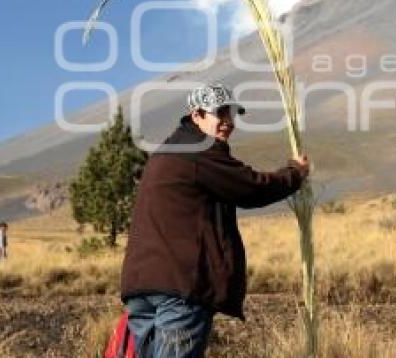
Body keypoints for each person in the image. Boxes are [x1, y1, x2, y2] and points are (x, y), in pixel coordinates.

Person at [120, 83, 309, 358]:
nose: (229, 122)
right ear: (196, 115)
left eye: (232, 114)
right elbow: (251, 187)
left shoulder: (167, 151)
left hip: (142, 288)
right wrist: (296, 172)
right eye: (220, 113)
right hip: (180, 288)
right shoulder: (199, 151)